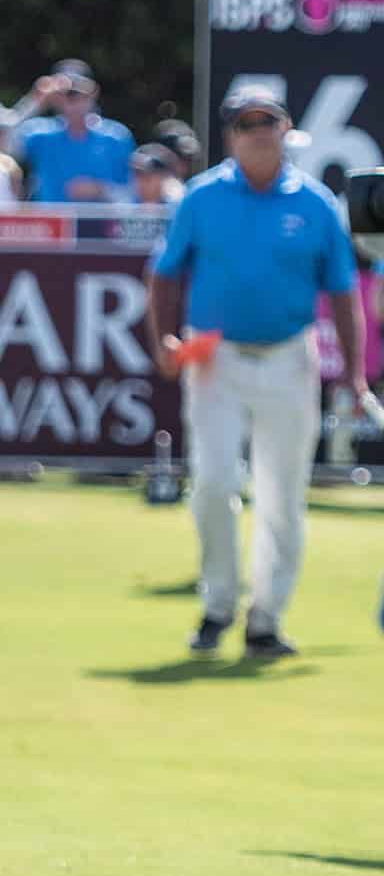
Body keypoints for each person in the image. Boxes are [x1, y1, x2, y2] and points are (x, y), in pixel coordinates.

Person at [146, 84, 367, 659]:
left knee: (282, 497)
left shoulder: (316, 203)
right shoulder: (201, 197)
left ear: (284, 129)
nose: (259, 133)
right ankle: (219, 604)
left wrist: (355, 372)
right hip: (215, 356)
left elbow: (344, 294)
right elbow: (166, 274)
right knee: (215, 484)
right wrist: (164, 340)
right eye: (247, 124)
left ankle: (266, 618)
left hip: (290, 359)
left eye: (267, 122)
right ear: (230, 137)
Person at [10, 60, 134, 203]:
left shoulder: (116, 137)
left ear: (94, 92)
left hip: (103, 223)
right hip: (53, 223)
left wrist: (101, 190)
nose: (73, 98)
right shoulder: (39, 134)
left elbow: (135, 194)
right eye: (65, 93)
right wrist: (35, 101)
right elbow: (0, 144)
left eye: (80, 92)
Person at [126, 142, 186, 207]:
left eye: (147, 178)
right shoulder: (125, 205)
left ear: (165, 177)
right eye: (137, 176)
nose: (141, 183)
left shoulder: (178, 204)